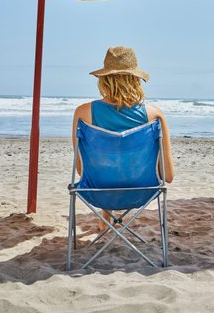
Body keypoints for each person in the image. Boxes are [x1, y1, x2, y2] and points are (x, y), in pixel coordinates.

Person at [72, 46, 175, 230]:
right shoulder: (154, 115)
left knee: (109, 167)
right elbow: (168, 175)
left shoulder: (83, 113)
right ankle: (107, 213)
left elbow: (82, 169)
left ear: (104, 79)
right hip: (142, 192)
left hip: (97, 191)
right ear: (136, 79)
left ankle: (106, 213)